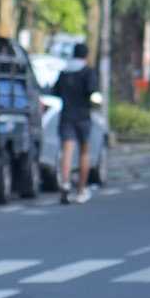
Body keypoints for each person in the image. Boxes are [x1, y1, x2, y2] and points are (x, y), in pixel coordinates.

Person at [53, 50, 100, 204]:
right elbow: (92, 92)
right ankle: (81, 190)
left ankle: (65, 184)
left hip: (66, 116)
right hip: (83, 117)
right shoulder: (87, 72)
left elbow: (55, 91)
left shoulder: (64, 72)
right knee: (84, 152)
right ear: (86, 56)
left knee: (67, 152)